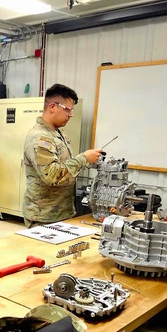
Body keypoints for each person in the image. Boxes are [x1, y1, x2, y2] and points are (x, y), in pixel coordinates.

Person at [22, 83, 103, 226]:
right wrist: (84, 159)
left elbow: (64, 165)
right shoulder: (41, 138)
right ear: (52, 107)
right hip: (44, 216)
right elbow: (52, 175)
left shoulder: (58, 133)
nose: (71, 115)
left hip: (63, 212)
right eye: (68, 110)